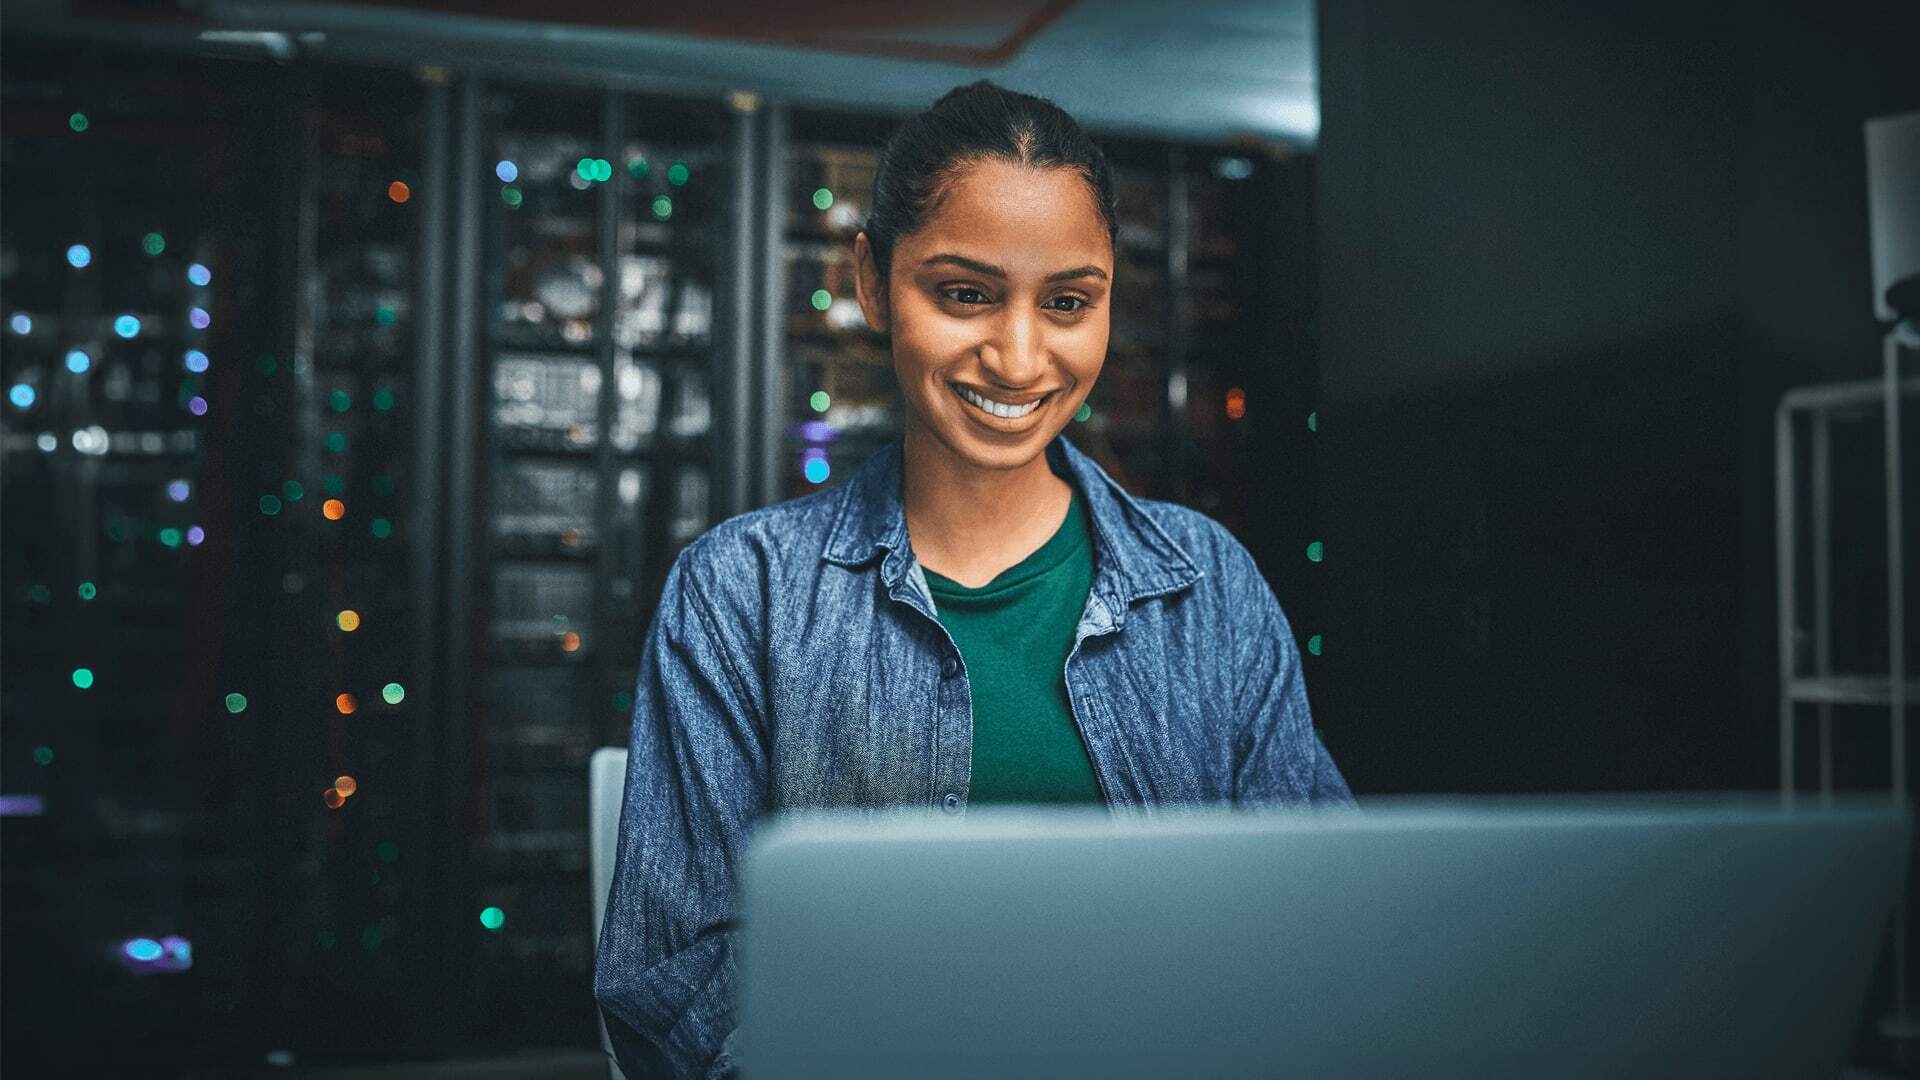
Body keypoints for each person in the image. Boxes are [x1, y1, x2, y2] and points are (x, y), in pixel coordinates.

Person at [592, 78, 1355, 1080]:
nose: (1019, 356)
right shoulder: (741, 593)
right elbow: (676, 974)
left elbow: (1323, 920)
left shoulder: (1209, 584)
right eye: (965, 293)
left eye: (1070, 302)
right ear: (872, 281)